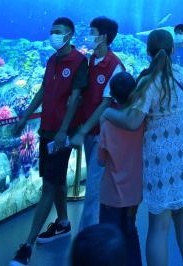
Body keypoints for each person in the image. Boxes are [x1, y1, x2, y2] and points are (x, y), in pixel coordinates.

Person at [102, 29, 183, 266]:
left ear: (148, 52)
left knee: (159, 224)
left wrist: (107, 113)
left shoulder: (149, 82)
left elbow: (133, 121)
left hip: (161, 160)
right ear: (173, 50)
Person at [12, 18, 89, 265]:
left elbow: (76, 98)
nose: (53, 35)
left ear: (69, 34)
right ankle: (64, 222)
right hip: (46, 130)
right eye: (52, 31)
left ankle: (27, 245)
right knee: (56, 181)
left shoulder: (79, 61)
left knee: (48, 186)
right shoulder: (52, 60)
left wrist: (64, 130)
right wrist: (25, 117)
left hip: (61, 134)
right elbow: (43, 91)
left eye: (58, 32)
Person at [68, 17, 124, 229]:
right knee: (96, 184)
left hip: (103, 133)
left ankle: (87, 237)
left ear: (103, 37)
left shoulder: (115, 66)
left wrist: (82, 131)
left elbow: (105, 104)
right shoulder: (91, 61)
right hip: (89, 130)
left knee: (93, 187)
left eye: (92, 32)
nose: (89, 36)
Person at [97, 72, 144, 266]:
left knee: (109, 240)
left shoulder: (107, 125)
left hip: (111, 195)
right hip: (134, 193)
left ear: (113, 96)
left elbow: (101, 161)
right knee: (131, 233)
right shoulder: (140, 122)